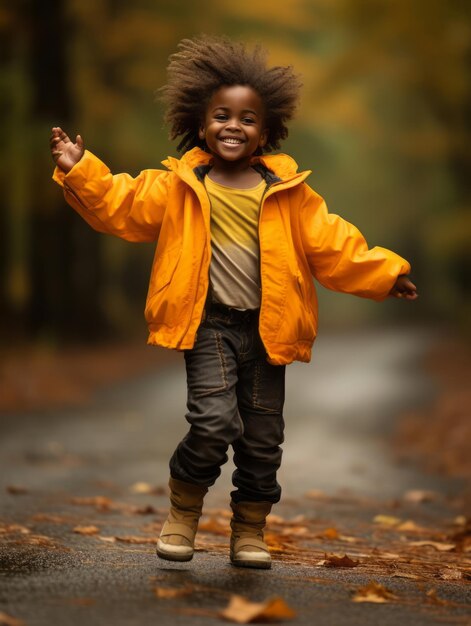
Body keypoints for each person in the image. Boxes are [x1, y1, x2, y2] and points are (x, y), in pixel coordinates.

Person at [50, 35, 417, 570]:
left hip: (268, 332)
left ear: (265, 132)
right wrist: (79, 168)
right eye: (222, 115)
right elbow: (121, 203)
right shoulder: (179, 186)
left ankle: (249, 531)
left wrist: (387, 273)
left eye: (247, 119)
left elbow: (334, 244)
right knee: (214, 423)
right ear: (201, 125)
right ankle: (182, 512)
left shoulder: (290, 193)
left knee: (263, 442)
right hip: (207, 325)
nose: (233, 126)